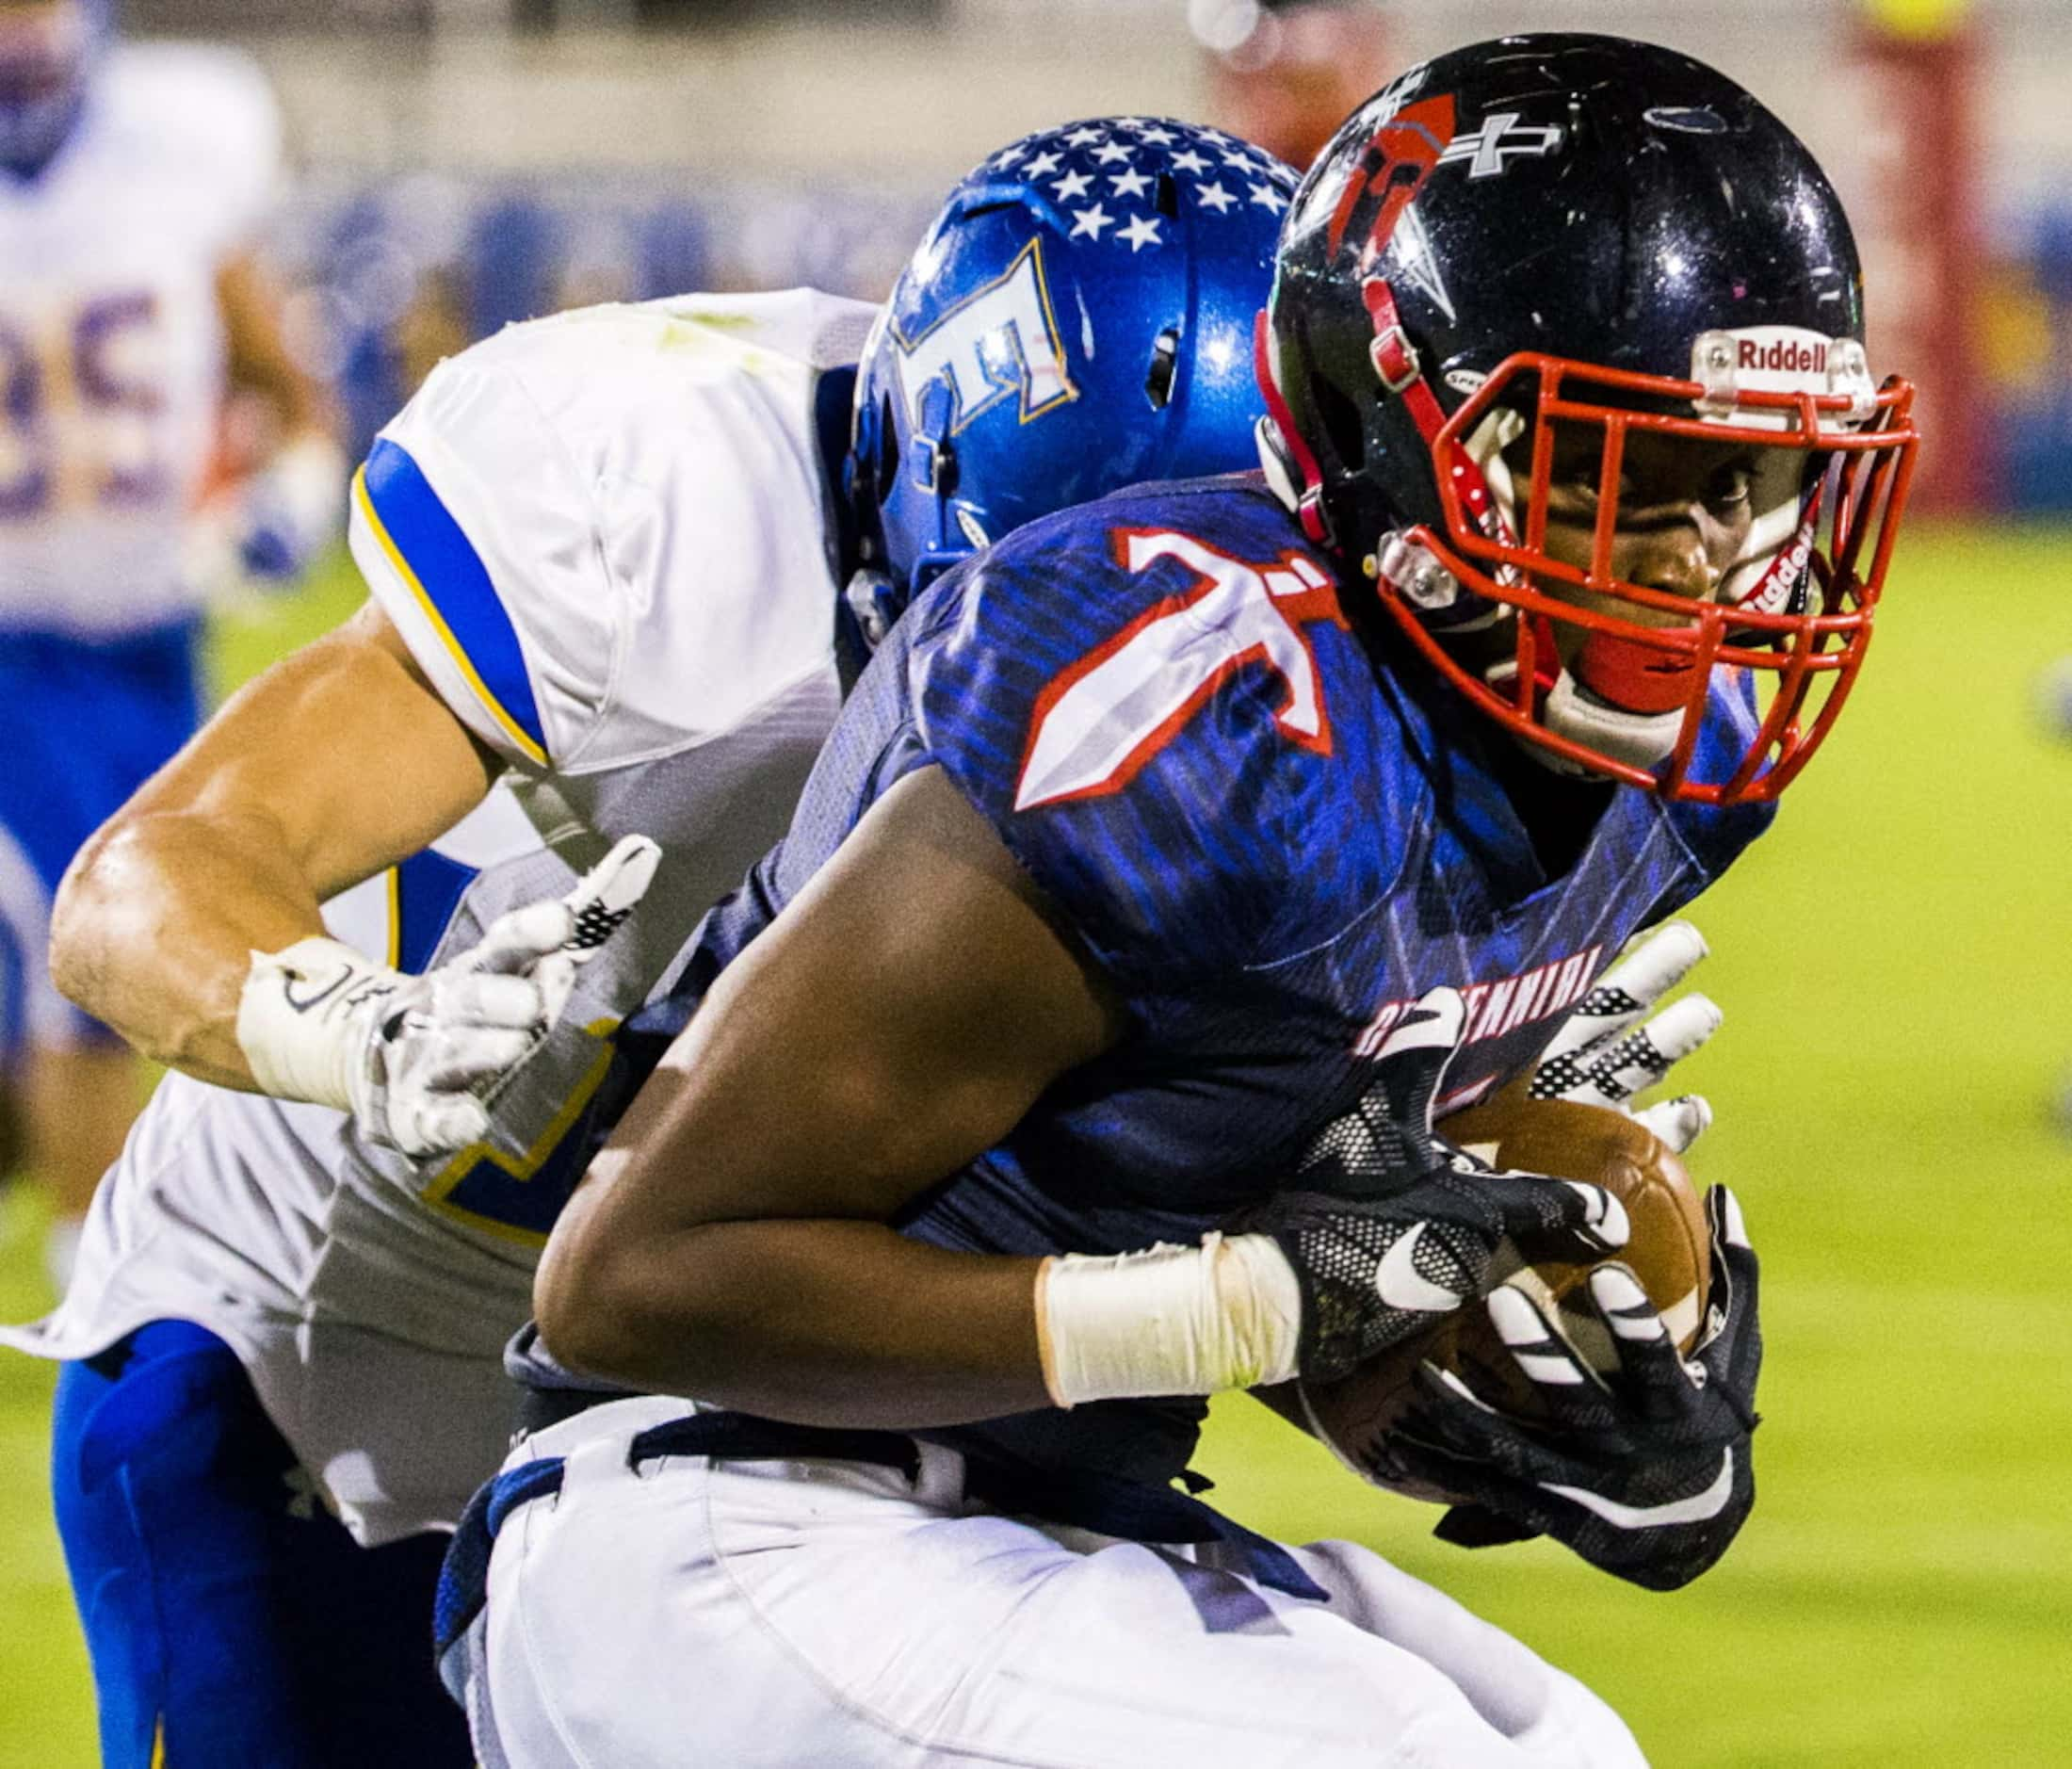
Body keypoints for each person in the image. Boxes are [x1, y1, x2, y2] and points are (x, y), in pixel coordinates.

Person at [445, 36, 1921, 1768]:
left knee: (1570, 1748)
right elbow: (632, 1279)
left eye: (1747, 480)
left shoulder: (1687, 753)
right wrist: (1243, 1308)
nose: (1705, 562)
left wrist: (1574, 1396)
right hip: (720, 1511)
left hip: (1046, 1505)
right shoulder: (1197, 707)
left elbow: (1251, 1189)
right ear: (1404, 427)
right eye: (1626, 476)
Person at [4, 118, 1294, 1766]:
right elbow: (144, 880)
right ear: (933, 486)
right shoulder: (658, 491)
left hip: (758, 1402)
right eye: (1063, 620)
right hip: (325, 1361)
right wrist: (358, 1030)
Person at [0, 0, 343, 1287]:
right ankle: (101, 1274)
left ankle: (107, 1251)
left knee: (130, 936)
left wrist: (284, 504)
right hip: (10, 643)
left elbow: (287, 391)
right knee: (66, 949)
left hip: (147, 640)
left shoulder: (177, 142)